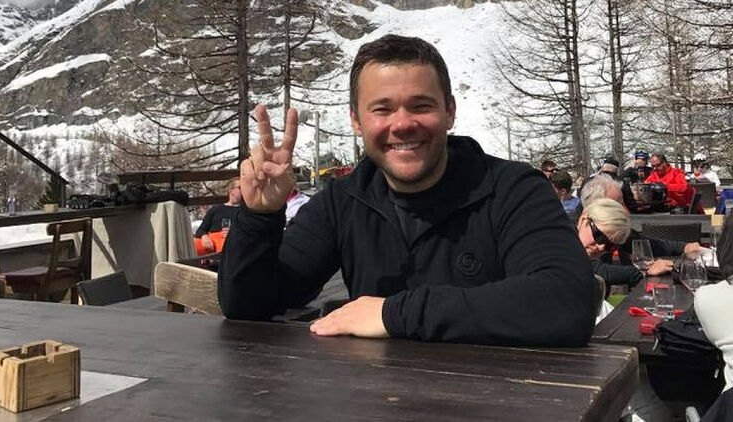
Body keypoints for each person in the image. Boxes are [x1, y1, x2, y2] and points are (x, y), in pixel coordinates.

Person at [218, 34, 595, 346]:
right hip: (377, 399)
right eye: (382, 109)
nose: (402, 124)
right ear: (356, 121)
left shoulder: (512, 189)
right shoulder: (342, 199)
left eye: (421, 105)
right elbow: (250, 306)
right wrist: (259, 218)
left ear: (449, 112)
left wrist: (392, 313)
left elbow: (566, 300)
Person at [194, 177, 242, 255]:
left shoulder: (245, 212)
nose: (243, 190)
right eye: (240, 188)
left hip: (230, 241)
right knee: (192, 247)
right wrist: (204, 236)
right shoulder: (216, 209)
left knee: (226, 246)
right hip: (211, 241)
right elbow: (201, 230)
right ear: (231, 190)